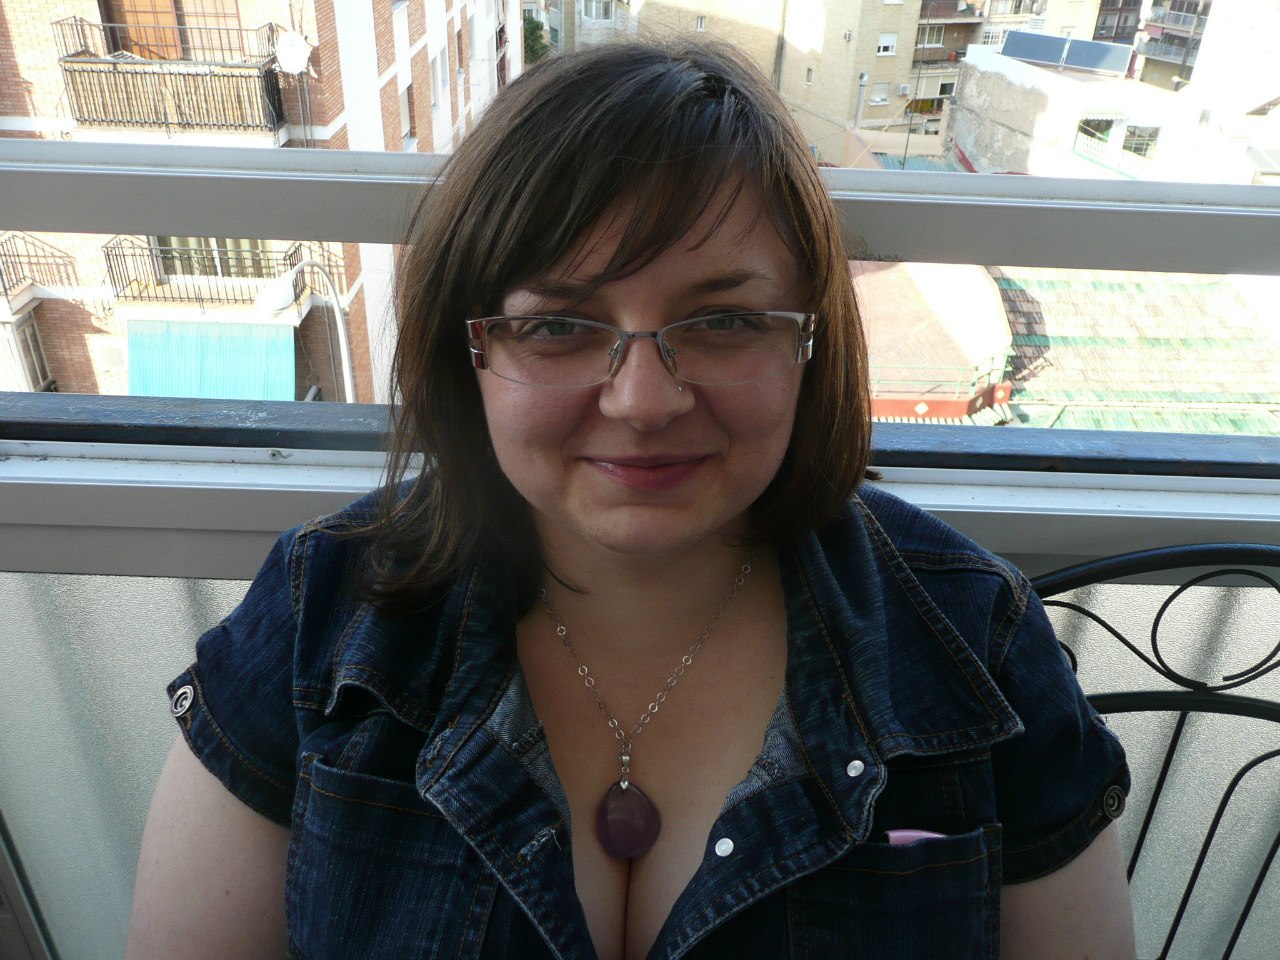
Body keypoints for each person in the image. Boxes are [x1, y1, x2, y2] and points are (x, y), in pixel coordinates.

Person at [126, 39, 1135, 960]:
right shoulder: (321, 616)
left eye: (723, 321)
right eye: (558, 326)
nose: (644, 402)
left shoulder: (975, 639)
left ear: (808, 341)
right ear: (468, 350)